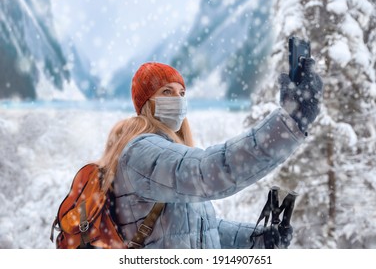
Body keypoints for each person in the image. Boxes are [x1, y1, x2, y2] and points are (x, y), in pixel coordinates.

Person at [96, 60, 323, 249]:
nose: (177, 99)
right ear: (145, 102)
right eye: (166, 91)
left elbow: (200, 229)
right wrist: (288, 123)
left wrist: (260, 239)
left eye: (181, 93)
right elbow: (210, 171)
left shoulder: (167, 153)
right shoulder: (142, 152)